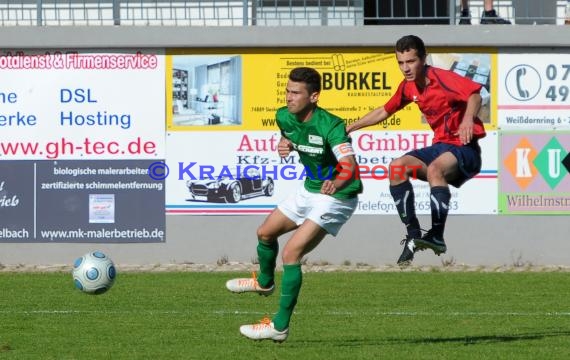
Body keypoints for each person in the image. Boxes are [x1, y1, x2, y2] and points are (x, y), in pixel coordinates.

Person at [225, 67, 363, 342]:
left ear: (314, 96)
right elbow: (287, 135)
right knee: (264, 233)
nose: (289, 97)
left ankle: (279, 326)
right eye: (287, 91)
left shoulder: (331, 125)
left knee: (290, 254)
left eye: (296, 93)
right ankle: (264, 283)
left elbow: (349, 165)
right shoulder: (282, 116)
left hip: (338, 196)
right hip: (309, 189)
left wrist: (336, 181)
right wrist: (284, 143)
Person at [346, 35, 485, 266]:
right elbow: (384, 111)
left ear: (423, 58)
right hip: (441, 146)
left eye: (410, 61)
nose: (405, 68)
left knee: (434, 170)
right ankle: (413, 234)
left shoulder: (441, 78)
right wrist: (351, 127)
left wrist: (468, 119)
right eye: (400, 62)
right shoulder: (408, 86)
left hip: (465, 149)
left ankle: (437, 236)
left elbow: (474, 94)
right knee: (397, 167)